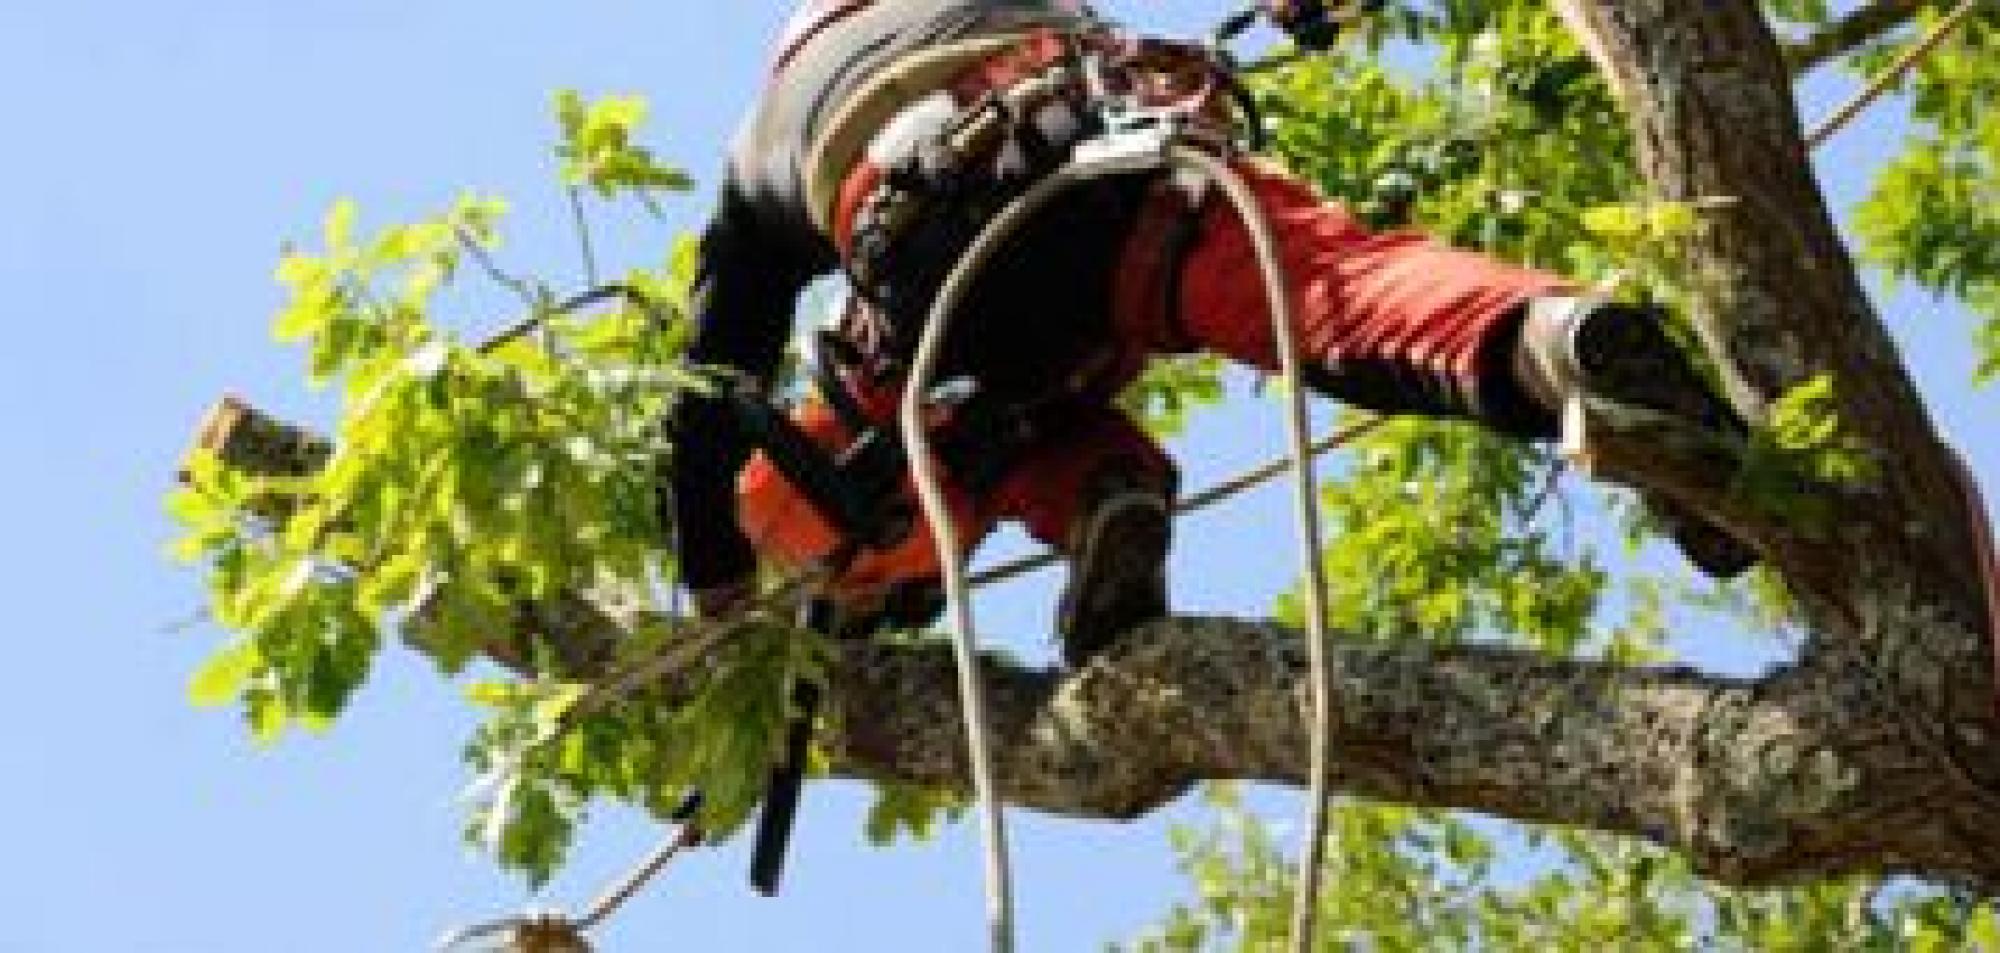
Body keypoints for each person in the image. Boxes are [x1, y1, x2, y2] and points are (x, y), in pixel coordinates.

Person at [668, 0, 1752, 665]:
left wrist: (715, 584)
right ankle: (1550, 343)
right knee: (1334, 290)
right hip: (1093, 152)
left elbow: (708, 394)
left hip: (933, 275)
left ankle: (1102, 498)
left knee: (945, 421)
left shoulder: (763, 141)